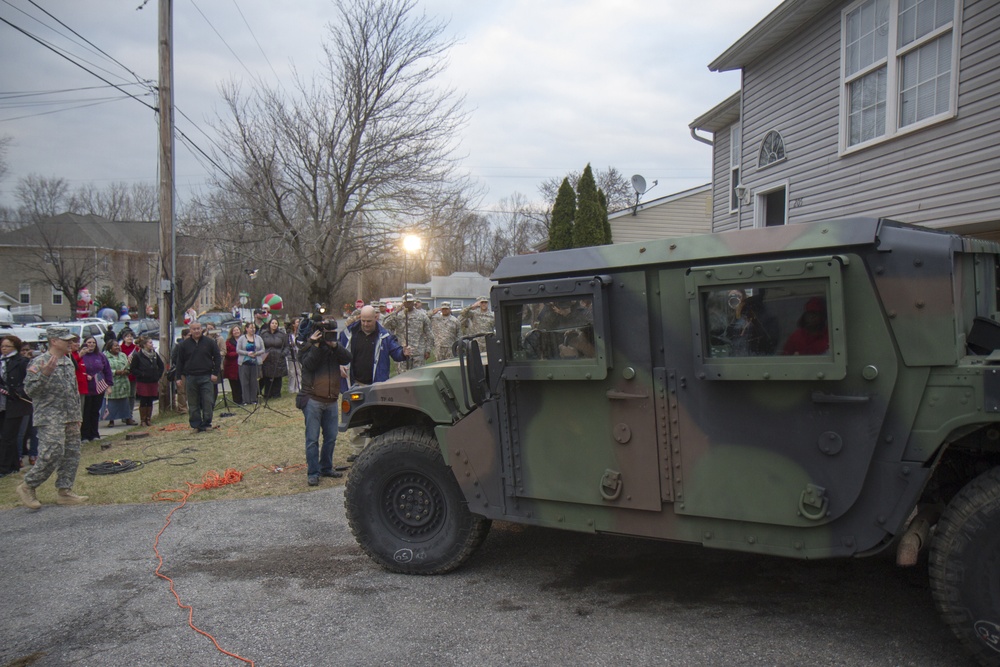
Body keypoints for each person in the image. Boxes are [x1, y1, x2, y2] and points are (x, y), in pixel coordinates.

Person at [16, 326, 89, 509]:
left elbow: (73, 391)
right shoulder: (39, 362)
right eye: (66, 340)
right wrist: (45, 375)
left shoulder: (68, 361)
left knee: (72, 453)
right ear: (54, 341)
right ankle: (28, 485)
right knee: (52, 452)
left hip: (70, 415)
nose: (71, 343)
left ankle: (65, 491)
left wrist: (77, 415)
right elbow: (29, 390)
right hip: (50, 416)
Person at [339, 306, 411, 460]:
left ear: (376, 319)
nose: (365, 324)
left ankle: (369, 451)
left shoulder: (384, 336)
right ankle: (357, 451)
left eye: (369, 321)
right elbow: (338, 352)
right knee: (356, 418)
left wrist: (403, 353)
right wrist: (339, 365)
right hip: (355, 382)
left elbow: (396, 353)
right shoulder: (349, 334)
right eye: (363, 321)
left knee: (374, 419)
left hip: (375, 385)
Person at [298, 323, 353, 486]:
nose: (328, 336)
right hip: (313, 399)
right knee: (312, 439)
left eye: (331, 333)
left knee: (331, 437)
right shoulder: (308, 347)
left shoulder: (333, 347)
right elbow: (309, 364)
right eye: (326, 334)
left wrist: (334, 345)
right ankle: (313, 472)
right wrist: (315, 345)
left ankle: (326, 467)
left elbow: (347, 358)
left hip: (331, 399)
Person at [173, 321, 221, 433]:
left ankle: (207, 423)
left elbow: (217, 357)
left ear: (202, 329)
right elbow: (179, 362)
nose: (196, 331)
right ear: (190, 331)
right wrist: (178, 377)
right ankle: (196, 425)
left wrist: (215, 373)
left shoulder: (209, 342)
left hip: (206, 376)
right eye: (194, 329)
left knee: (208, 401)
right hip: (191, 377)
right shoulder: (184, 345)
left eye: (199, 328)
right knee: (193, 403)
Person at [0, 335, 31, 476]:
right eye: (2, 346)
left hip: (15, 403)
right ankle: (12, 465)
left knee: (9, 436)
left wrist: (17, 392)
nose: (4, 349)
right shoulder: (1, 361)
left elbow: (28, 382)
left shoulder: (22, 361)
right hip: (2, 403)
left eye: (7, 346)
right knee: (5, 436)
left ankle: (4, 468)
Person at [383, 293, 433, 371]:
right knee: (403, 379)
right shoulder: (398, 316)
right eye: (406, 302)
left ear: (413, 302)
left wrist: (428, 350)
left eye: (410, 302)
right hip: (402, 353)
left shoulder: (422, 316)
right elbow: (386, 325)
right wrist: (396, 311)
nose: (408, 304)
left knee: (418, 377)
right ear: (403, 303)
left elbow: (429, 334)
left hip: (418, 353)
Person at [79, 336, 113, 444]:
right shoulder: (81, 356)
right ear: (84, 344)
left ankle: (94, 434)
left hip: (98, 388)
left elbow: (107, 371)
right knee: (86, 412)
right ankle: (85, 435)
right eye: (89, 342)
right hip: (85, 389)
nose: (91, 344)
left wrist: (108, 385)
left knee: (95, 412)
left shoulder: (100, 356)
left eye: (93, 342)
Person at [129, 335, 164, 426]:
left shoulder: (154, 355)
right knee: (144, 400)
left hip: (153, 380)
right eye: (150, 343)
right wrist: (142, 374)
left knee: (150, 399)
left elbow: (161, 366)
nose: (152, 344)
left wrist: (158, 375)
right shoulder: (138, 355)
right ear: (144, 345)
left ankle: (148, 418)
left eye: (152, 343)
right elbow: (133, 369)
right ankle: (143, 420)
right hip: (143, 381)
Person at [16, 342, 38, 467]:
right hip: (21, 401)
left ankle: (33, 454)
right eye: (23, 350)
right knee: (21, 431)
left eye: (27, 350)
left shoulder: (34, 363)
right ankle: (19, 456)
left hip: (33, 401)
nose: (25, 352)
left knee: (34, 430)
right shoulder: (18, 363)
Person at [102, 339, 132, 430]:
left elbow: (128, 366)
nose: (118, 347)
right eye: (115, 346)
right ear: (110, 348)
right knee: (112, 402)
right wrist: (115, 372)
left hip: (123, 382)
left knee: (125, 402)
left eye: (118, 345)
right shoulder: (105, 356)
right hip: (112, 382)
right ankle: (111, 420)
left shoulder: (123, 355)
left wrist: (127, 370)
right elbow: (103, 369)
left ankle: (127, 418)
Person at [260, 317, 289, 398]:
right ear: (269, 324)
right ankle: (267, 393)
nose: (274, 325)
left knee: (277, 377)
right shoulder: (263, 334)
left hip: (278, 358)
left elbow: (287, 346)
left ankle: (276, 394)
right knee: (267, 376)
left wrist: (283, 354)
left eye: (276, 323)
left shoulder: (282, 334)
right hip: (267, 358)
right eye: (273, 323)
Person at [237, 321, 262, 405]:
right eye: (251, 328)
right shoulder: (242, 338)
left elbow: (263, 349)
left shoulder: (258, 338)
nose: (253, 329)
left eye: (254, 328)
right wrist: (247, 353)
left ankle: (253, 399)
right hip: (244, 363)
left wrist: (256, 353)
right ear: (246, 329)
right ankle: (246, 400)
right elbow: (238, 350)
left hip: (255, 363)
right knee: (245, 382)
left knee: (254, 382)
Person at [118, 330, 138, 425]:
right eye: (127, 336)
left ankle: (129, 414)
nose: (129, 338)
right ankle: (123, 415)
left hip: (133, 375)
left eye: (131, 336)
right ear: (123, 338)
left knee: (132, 396)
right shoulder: (120, 349)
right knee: (123, 396)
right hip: (122, 376)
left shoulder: (136, 348)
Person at [169, 329, 189, 413]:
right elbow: (174, 358)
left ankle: (190, 406)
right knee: (181, 391)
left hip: (191, 371)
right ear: (184, 336)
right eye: (188, 335)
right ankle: (182, 408)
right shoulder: (179, 346)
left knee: (189, 391)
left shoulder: (194, 345)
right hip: (181, 372)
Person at [223, 324, 243, 405]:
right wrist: (238, 353)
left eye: (237, 330)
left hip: (242, 365)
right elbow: (227, 354)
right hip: (232, 366)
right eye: (234, 330)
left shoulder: (244, 339)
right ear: (232, 332)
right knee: (235, 385)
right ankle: (237, 400)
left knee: (242, 383)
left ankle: (243, 398)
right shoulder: (228, 342)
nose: (236, 331)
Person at [286, 318, 302, 394]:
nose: (298, 323)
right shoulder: (289, 334)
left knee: (299, 371)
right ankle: (291, 388)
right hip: (291, 355)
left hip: (299, 354)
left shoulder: (300, 333)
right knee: (292, 372)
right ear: (293, 324)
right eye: (297, 322)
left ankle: (299, 386)